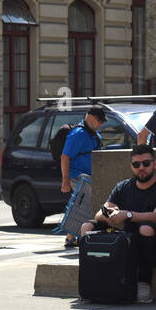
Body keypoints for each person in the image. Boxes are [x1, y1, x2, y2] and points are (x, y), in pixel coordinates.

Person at [78, 144, 156, 303]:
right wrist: (110, 215)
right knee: (87, 227)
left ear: (155, 164)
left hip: (153, 248)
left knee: (146, 228)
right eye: (136, 164)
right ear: (131, 166)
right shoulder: (123, 186)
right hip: (124, 244)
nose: (141, 168)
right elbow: (100, 214)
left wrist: (128, 215)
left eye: (146, 163)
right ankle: (90, 278)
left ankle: (144, 283)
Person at [59, 105, 106, 247]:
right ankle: (75, 237)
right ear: (90, 118)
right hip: (77, 178)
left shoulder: (94, 134)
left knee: (82, 206)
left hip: (88, 178)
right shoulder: (78, 134)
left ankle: (72, 237)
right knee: (85, 205)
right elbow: (65, 157)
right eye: (100, 121)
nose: (101, 124)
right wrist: (65, 181)